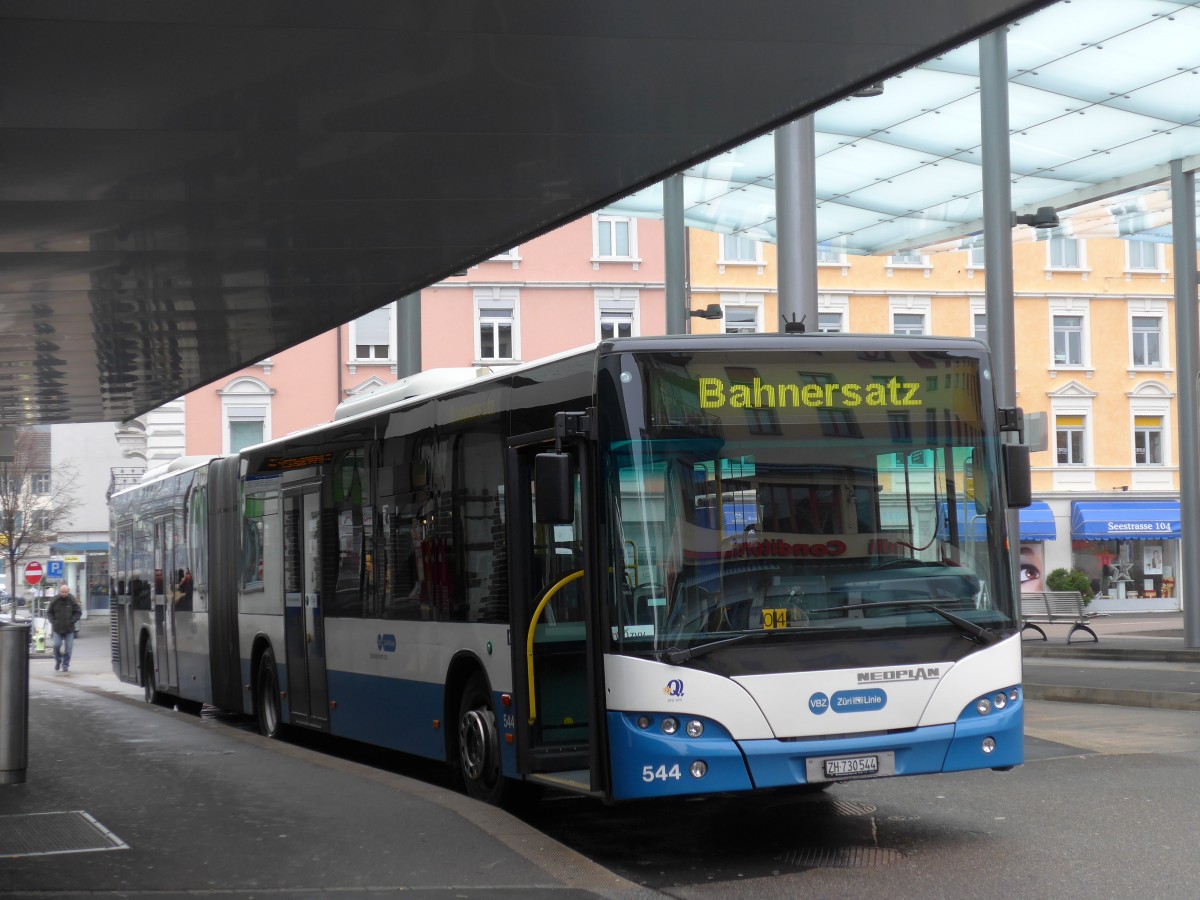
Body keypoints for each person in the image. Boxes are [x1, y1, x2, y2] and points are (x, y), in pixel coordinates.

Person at [46, 583, 82, 673]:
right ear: (59, 591)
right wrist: (53, 622)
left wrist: (72, 621)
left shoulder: (72, 600)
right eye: (62, 592)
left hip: (69, 629)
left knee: (68, 648)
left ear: (68, 592)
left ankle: (65, 665)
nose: (63, 594)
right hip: (57, 628)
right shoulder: (55, 600)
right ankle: (58, 661)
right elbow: (49, 612)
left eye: (65, 592)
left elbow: (78, 612)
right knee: (56, 645)